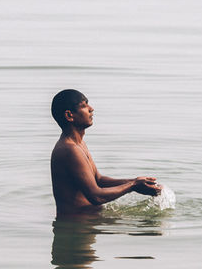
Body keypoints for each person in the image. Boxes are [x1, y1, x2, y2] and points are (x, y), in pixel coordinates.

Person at [50, 89, 161, 217]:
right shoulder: (69, 150)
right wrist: (133, 186)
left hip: (89, 222)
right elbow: (96, 196)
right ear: (69, 115)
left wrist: (139, 182)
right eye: (84, 106)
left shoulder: (79, 144)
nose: (91, 109)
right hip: (79, 226)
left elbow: (99, 180)